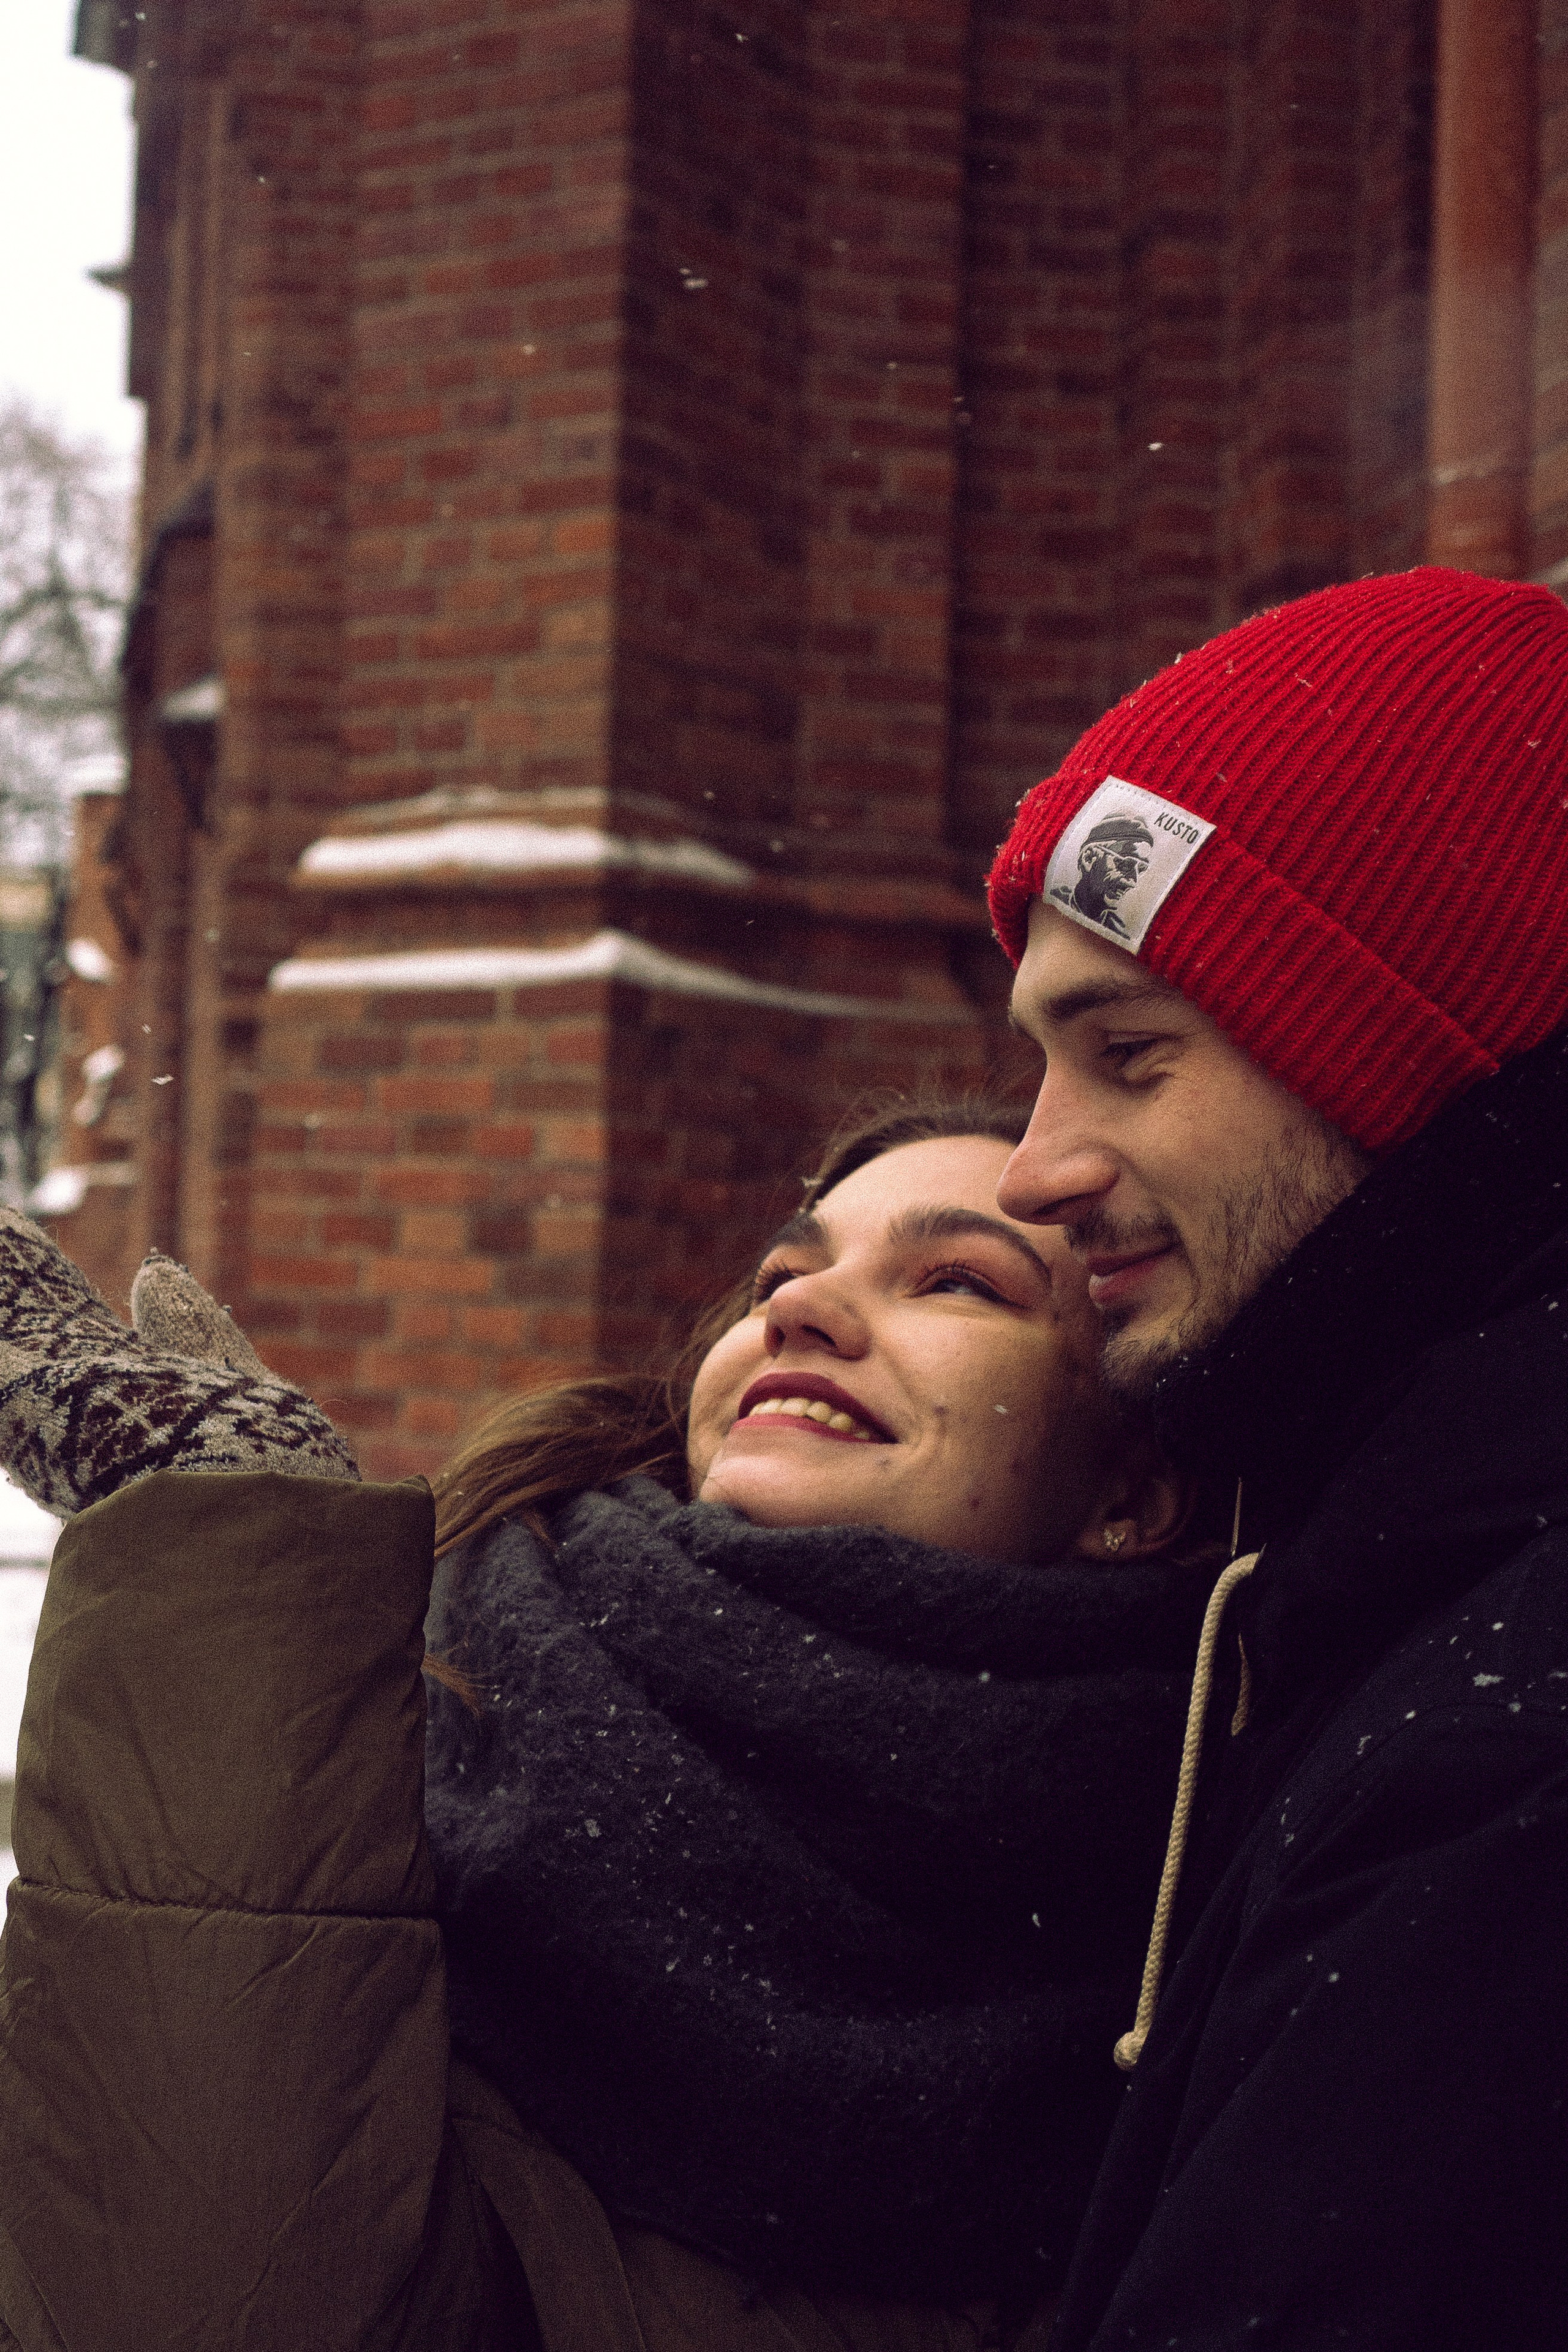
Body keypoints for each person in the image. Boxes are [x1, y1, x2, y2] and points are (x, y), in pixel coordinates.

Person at [0, 1096, 1211, 2351]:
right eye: (783, 1272)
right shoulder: (415, 1767)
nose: (794, 1308)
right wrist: (234, 1577)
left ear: (1130, 1492)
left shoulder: (1225, 1899)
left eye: (953, 1281)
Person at [985, 564, 1568, 2351]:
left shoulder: (1503, 1756)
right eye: (1037, 1065)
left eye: (1129, 1056)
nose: (1031, 1168)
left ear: (1413, 1058)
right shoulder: (1366, 1585)